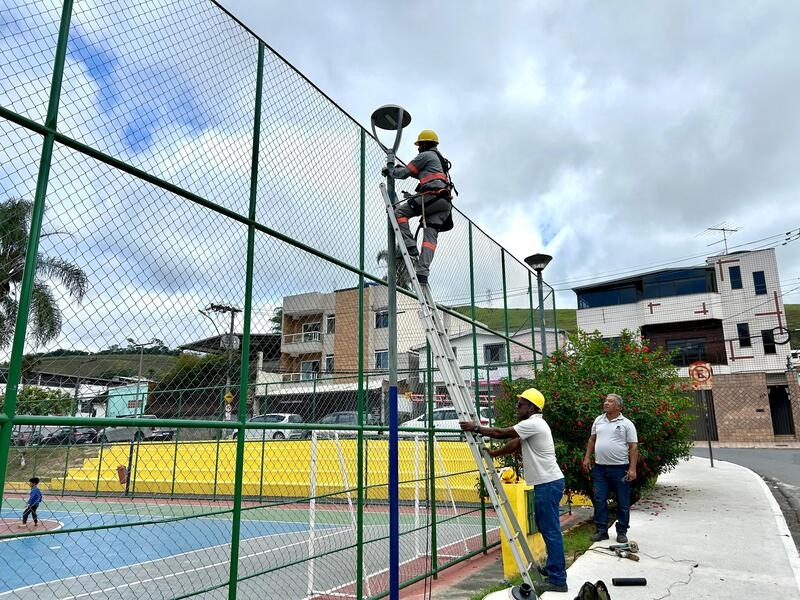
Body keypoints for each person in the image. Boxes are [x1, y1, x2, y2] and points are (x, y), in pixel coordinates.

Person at [459, 388, 568, 595]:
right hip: (547, 483)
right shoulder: (533, 426)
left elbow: (502, 433)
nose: (517, 407)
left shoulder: (534, 423)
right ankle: (554, 569)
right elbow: (515, 444)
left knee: (550, 529)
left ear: (533, 408)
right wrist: (495, 453)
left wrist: (477, 428)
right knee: (547, 528)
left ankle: (558, 579)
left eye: (521, 404)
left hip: (548, 483)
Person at [382, 129, 454, 286]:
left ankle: (409, 245)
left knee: (399, 212)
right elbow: (418, 173)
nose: (418, 148)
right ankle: (423, 273)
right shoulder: (439, 160)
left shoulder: (425, 155)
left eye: (419, 144)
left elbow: (404, 173)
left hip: (432, 197)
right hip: (444, 203)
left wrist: (391, 170)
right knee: (430, 239)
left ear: (425, 144)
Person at [582, 393, 638, 544]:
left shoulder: (626, 423)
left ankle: (621, 531)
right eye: (606, 400)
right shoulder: (598, 420)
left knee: (622, 500)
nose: (606, 403)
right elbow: (592, 439)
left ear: (619, 406)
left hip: (620, 469)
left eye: (611, 401)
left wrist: (632, 469)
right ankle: (601, 531)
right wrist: (587, 457)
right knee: (599, 499)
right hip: (600, 468)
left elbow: (633, 447)